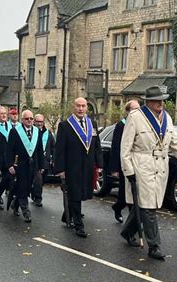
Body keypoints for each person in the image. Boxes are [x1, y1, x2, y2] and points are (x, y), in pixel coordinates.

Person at [120, 86, 177, 260]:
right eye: (157, 100)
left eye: (162, 100)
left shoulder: (167, 118)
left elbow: (176, 143)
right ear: (148, 102)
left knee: (146, 204)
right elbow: (125, 148)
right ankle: (154, 245)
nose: (160, 103)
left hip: (161, 167)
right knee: (148, 208)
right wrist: (128, 171)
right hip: (141, 165)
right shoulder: (136, 117)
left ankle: (127, 231)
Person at [54, 98, 103, 237]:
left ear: (87, 107)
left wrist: (99, 164)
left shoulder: (92, 124)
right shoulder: (65, 125)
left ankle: (67, 215)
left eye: (83, 106)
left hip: (87, 166)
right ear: (73, 107)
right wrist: (60, 169)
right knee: (75, 194)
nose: (80, 109)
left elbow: (96, 145)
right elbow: (60, 149)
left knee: (81, 193)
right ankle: (78, 226)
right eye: (78, 106)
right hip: (72, 166)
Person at [6, 109, 44, 223]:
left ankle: (15, 203)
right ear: (22, 120)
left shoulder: (37, 131)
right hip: (20, 165)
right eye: (27, 119)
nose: (29, 121)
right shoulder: (15, 131)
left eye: (31, 118)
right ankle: (26, 211)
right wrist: (10, 165)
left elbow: (39, 150)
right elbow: (9, 150)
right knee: (22, 186)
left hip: (33, 165)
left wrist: (41, 165)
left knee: (28, 187)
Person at [109, 99, 141, 223]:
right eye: (134, 109)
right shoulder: (121, 125)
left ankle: (134, 220)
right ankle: (118, 208)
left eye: (139, 108)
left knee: (135, 194)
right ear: (128, 111)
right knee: (124, 194)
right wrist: (114, 168)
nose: (137, 111)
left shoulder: (140, 123)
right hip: (125, 164)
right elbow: (116, 147)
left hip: (137, 164)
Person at [31, 113, 55, 207]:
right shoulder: (32, 132)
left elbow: (53, 146)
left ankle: (34, 193)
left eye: (41, 122)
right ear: (34, 122)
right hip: (35, 161)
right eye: (38, 121)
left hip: (45, 161)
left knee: (42, 181)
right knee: (38, 180)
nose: (39, 123)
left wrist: (53, 158)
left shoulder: (48, 133)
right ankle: (38, 199)